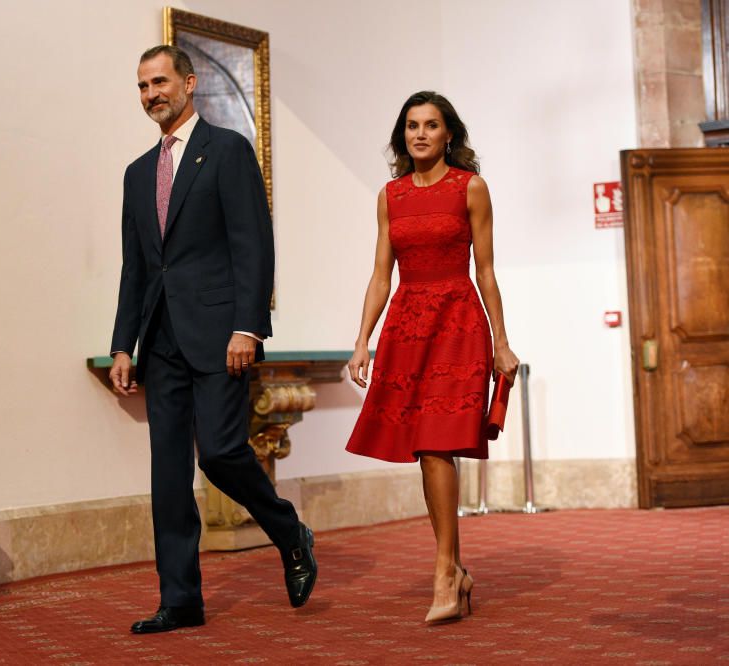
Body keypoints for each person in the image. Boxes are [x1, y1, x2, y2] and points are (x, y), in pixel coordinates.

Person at [108, 45, 317, 635]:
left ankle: (287, 530)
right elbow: (137, 268)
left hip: (222, 333)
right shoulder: (136, 173)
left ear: (190, 83)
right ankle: (180, 599)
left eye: (161, 82)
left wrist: (247, 326)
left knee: (222, 453)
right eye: (143, 85)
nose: (152, 94)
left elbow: (254, 243)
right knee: (168, 474)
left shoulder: (227, 150)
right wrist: (125, 343)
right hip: (162, 339)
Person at [345, 91, 519, 623]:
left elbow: (485, 270)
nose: (421, 133)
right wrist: (362, 339)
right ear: (404, 135)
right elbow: (381, 274)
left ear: (449, 134)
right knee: (426, 447)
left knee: (440, 441)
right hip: (407, 325)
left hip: (459, 322)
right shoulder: (390, 196)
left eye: (432, 125)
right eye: (412, 125)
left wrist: (501, 341)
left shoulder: (471, 188)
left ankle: (444, 571)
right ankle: (455, 569)